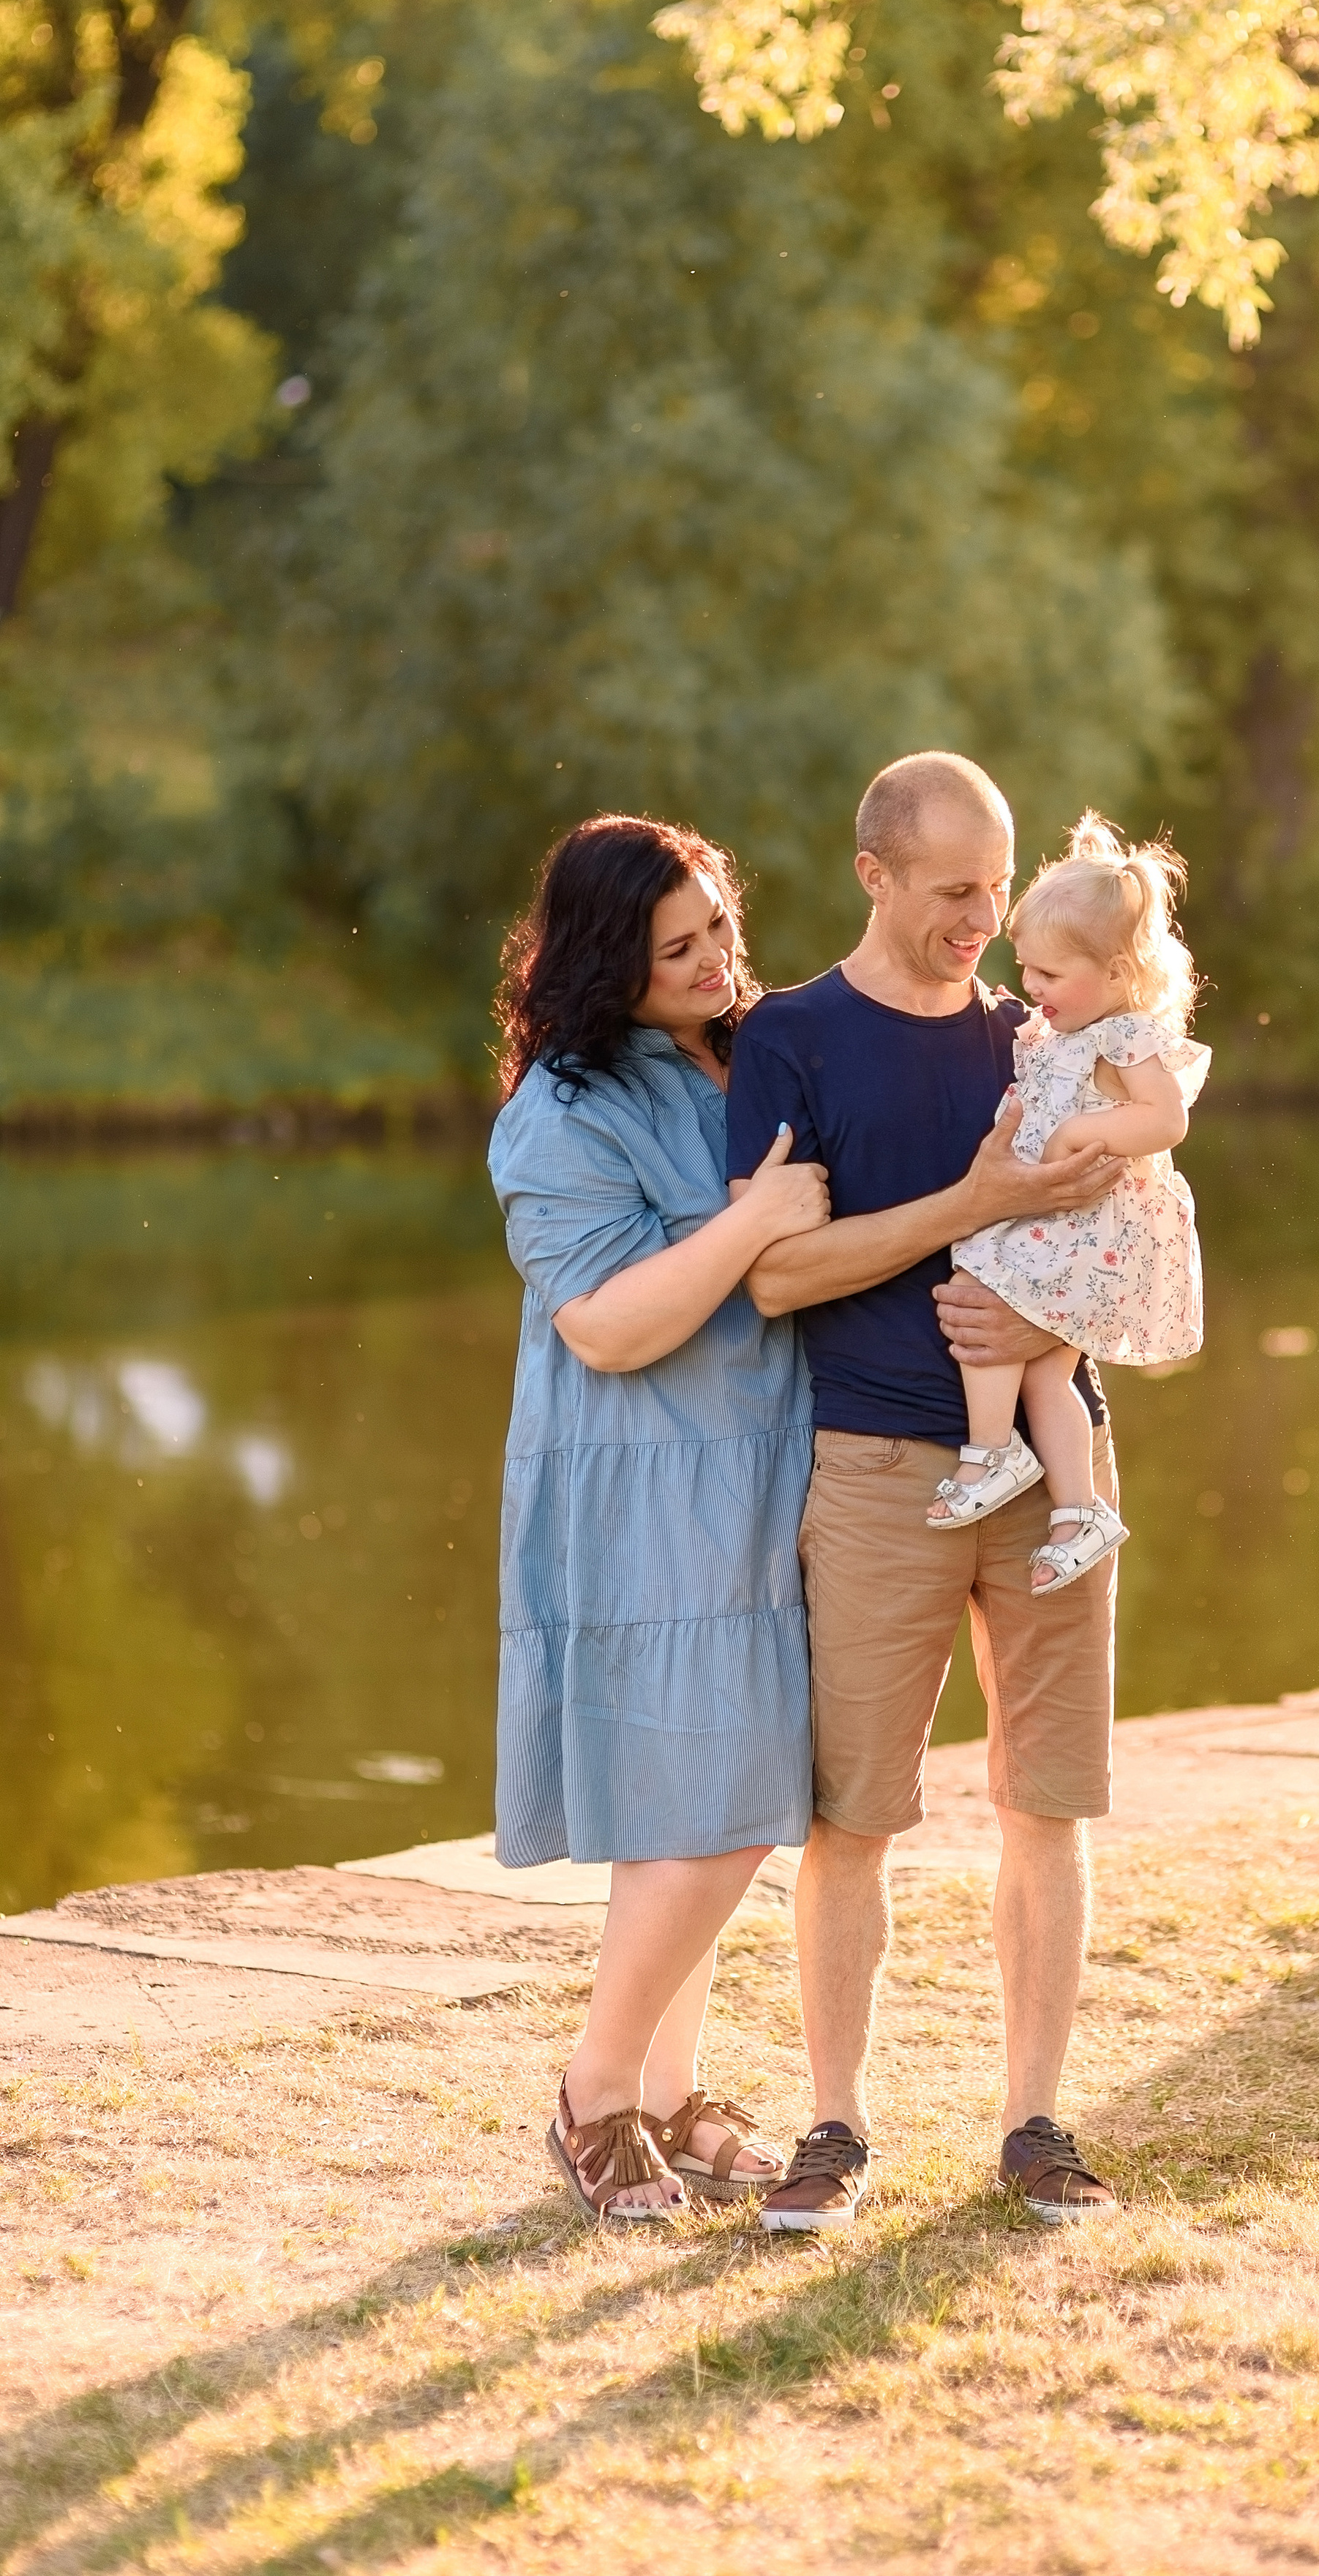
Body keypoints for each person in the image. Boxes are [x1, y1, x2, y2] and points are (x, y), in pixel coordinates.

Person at [724, 752, 1130, 2232]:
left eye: (999, 887)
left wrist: (1040, 1320)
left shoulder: (1040, 1031)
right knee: (853, 1815)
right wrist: (970, 1204)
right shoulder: (790, 1039)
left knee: (1047, 1803)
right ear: (874, 874)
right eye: (956, 889)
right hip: (880, 1470)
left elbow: (1128, 1238)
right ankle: (833, 2125)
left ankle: (1034, 2122)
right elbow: (777, 1274)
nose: (984, 919)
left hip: (1051, 1470)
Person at [489, 813, 830, 2226]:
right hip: (646, 1478)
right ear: (603, 961)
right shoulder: (560, 1111)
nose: (712, 961)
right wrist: (752, 1222)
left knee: (702, 1799)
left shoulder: (753, 1050)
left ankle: (674, 2096)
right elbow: (608, 1325)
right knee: (724, 1796)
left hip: (769, 1461)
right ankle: (595, 2090)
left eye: (717, 928)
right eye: (674, 947)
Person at [931, 814, 1210, 1596]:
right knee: (1046, 1379)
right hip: (1064, 1221)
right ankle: (1079, 1511)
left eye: (1049, 974)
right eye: (1027, 969)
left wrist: (1082, 1130)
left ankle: (991, 1452)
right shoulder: (1063, 1032)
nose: (1032, 987)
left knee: (982, 1276)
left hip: (1092, 1229)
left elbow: (1166, 1120)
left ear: (1117, 974)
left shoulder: (1126, 1037)